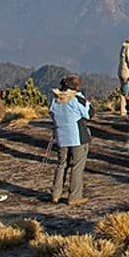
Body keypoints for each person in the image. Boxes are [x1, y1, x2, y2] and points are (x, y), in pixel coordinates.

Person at [49, 75, 92, 205]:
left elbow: (51, 113)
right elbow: (89, 113)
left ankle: (56, 194)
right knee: (77, 167)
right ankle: (74, 196)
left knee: (61, 165)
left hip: (61, 137)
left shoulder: (56, 99)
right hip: (77, 137)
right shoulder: (76, 99)